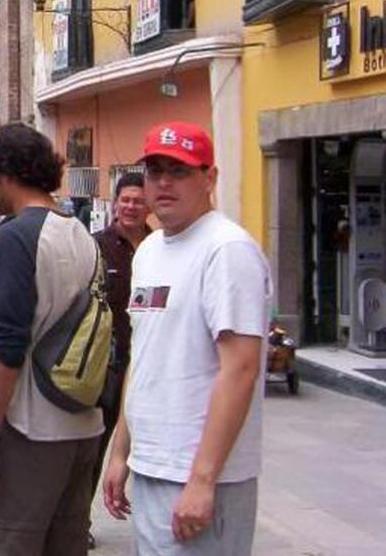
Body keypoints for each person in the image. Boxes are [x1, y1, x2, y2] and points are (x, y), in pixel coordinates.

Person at [103, 122, 271, 554]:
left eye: (179, 171)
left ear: (209, 179)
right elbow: (144, 356)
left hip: (200, 475)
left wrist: (202, 480)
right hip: (152, 466)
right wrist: (122, 452)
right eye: (154, 170)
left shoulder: (227, 250)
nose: (163, 182)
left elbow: (241, 369)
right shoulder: (151, 250)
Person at [0, 123, 103, 555]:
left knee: (3, 540)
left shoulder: (15, 237)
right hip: (82, 425)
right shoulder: (81, 233)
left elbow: (6, 346)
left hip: (29, 429)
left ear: (4, 172)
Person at [87, 172, 150, 548]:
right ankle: (79, 520)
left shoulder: (161, 245)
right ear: (115, 204)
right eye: (125, 200)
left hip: (150, 365)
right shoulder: (95, 247)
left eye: (138, 201)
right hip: (108, 368)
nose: (131, 206)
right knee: (95, 448)